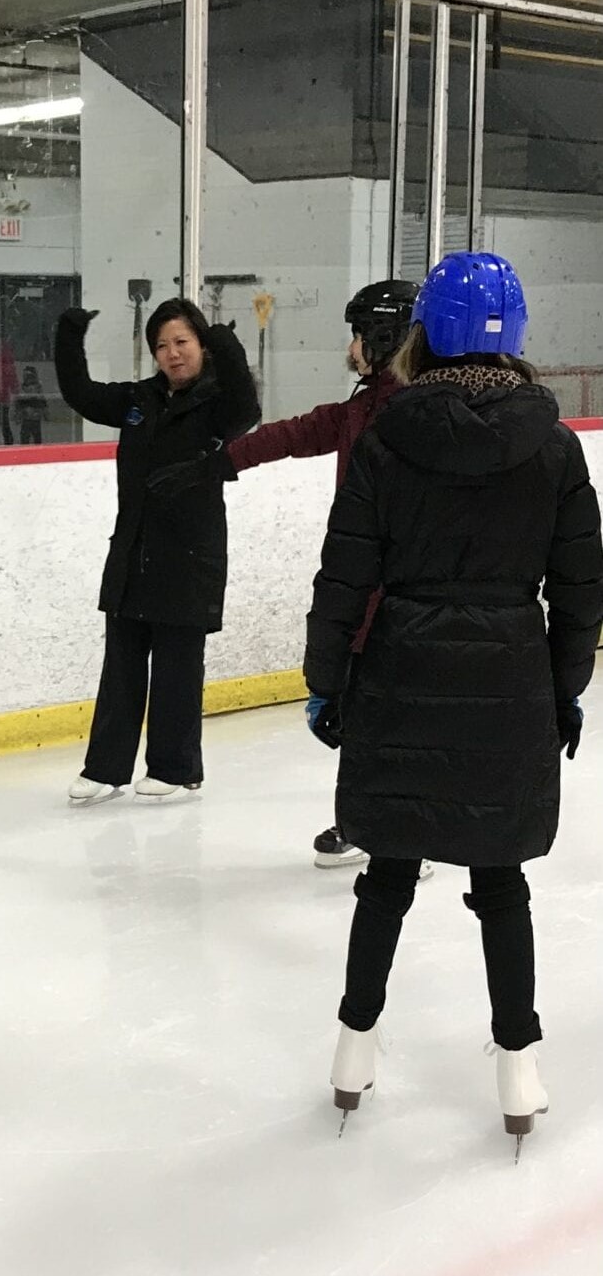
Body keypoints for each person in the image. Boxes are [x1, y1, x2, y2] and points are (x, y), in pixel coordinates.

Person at [305, 253, 603, 1153]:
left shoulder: (388, 438)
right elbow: (580, 588)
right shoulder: (554, 446)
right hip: (507, 680)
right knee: (499, 880)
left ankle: (353, 1051)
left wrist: (327, 683)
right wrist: (564, 687)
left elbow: (344, 574)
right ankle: (518, 1065)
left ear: (425, 334)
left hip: (403, 672)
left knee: (387, 875)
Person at [225, 281, 421, 872]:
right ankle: (368, 822)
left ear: (384, 338)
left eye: (357, 334)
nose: (351, 346)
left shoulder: (412, 412)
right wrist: (225, 459)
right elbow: (299, 431)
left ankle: (406, 833)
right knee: (366, 715)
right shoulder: (363, 407)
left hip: (401, 597)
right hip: (364, 589)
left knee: (397, 718)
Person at [56, 300, 261, 806]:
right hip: (132, 552)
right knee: (121, 667)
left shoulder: (217, 404)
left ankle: (175, 767)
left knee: (177, 669)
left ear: (202, 346)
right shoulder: (139, 400)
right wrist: (69, 334)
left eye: (182, 342)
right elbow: (80, 394)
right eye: (162, 345)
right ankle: (105, 769)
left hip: (190, 558)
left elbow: (247, 410)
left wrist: (225, 343)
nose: (172, 354)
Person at [16, 365, 49, 445]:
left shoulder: (37, 387)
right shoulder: (24, 388)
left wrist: (45, 413)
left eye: (28, 376)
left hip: (34, 417)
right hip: (27, 417)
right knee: (26, 438)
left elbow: (42, 402)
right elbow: (20, 403)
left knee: (34, 437)